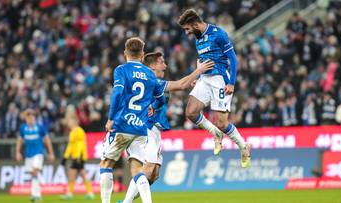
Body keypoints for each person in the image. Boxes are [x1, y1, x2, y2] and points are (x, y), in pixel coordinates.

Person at [121, 51, 214, 203]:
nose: (165, 65)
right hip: (145, 128)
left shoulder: (156, 84)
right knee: (148, 168)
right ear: (152, 66)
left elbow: (179, 86)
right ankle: (127, 202)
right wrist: (199, 71)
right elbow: (181, 84)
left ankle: (127, 200)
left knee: (154, 174)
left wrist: (193, 81)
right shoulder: (151, 81)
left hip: (155, 129)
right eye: (161, 62)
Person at [178, 9, 251, 167]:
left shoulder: (219, 34)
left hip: (220, 80)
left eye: (187, 29)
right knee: (190, 112)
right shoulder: (198, 39)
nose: (187, 33)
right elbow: (202, 61)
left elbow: (233, 58)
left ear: (196, 24)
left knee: (222, 123)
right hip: (204, 79)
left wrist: (231, 82)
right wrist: (197, 77)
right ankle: (215, 134)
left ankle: (243, 146)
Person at [100, 37, 166, 203]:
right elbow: (161, 100)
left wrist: (111, 119)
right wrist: (153, 106)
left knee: (106, 165)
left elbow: (117, 94)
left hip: (121, 125)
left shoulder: (121, 70)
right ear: (142, 55)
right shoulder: (150, 75)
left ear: (125, 53)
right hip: (140, 129)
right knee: (137, 170)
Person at [16, 109, 55, 202]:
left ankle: (37, 195)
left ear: (35, 118)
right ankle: (35, 194)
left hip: (38, 153)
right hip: (28, 154)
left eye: (32, 117)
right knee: (33, 175)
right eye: (29, 117)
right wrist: (17, 152)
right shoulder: (23, 128)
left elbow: (47, 140)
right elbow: (20, 140)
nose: (31, 119)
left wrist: (51, 153)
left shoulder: (40, 127)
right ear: (26, 119)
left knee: (34, 171)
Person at [60, 116, 95, 200]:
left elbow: (80, 145)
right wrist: (66, 157)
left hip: (78, 157)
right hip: (76, 157)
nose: (69, 123)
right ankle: (89, 192)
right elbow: (71, 146)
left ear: (75, 122)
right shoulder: (72, 132)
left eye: (70, 121)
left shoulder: (79, 131)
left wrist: (78, 157)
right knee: (81, 174)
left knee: (73, 173)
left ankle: (70, 193)